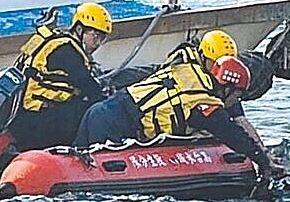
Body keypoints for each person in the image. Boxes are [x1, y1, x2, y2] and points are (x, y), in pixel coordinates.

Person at [74, 53, 273, 184]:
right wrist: (263, 161)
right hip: (116, 123)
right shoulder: (202, 100)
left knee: (78, 162)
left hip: (99, 110)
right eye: (237, 97)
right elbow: (232, 134)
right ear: (228, 88)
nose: (235, 103)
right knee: (92, 182)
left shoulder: (189, 71)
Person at [9, 2, 112, 150]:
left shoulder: (59, 42)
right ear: (79, 29)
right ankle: (86, 152)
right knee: (96, 111)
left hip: (24, 115)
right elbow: (89, 87)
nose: (97, 43)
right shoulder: (66, 52)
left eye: (102, 39)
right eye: (95, 36)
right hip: (36, 120)